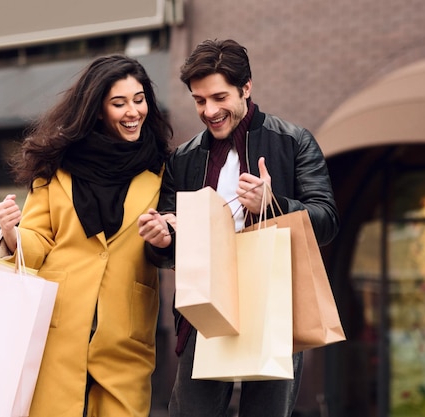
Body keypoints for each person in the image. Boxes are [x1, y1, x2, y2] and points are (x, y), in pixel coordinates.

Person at [138, 39, 340, 416]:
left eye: (219, 97)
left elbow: (326, 221)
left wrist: (273, 205)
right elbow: (168, 240)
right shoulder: (183, 158)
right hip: (205, 307)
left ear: (246, 88)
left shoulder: (293, 142)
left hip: (274, 305)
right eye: (199, 101)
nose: (209, 111)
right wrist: (163, 239)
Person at [0, 54, 173, 417]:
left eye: (139, 100)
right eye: (119, 103)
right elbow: (39, 240)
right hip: (59, 328)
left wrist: (164, 236)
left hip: (126, 332)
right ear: (96, 110)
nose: (132, 112)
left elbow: (169, 244)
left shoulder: (162, 169)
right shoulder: (56, 168)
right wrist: (12, 234)